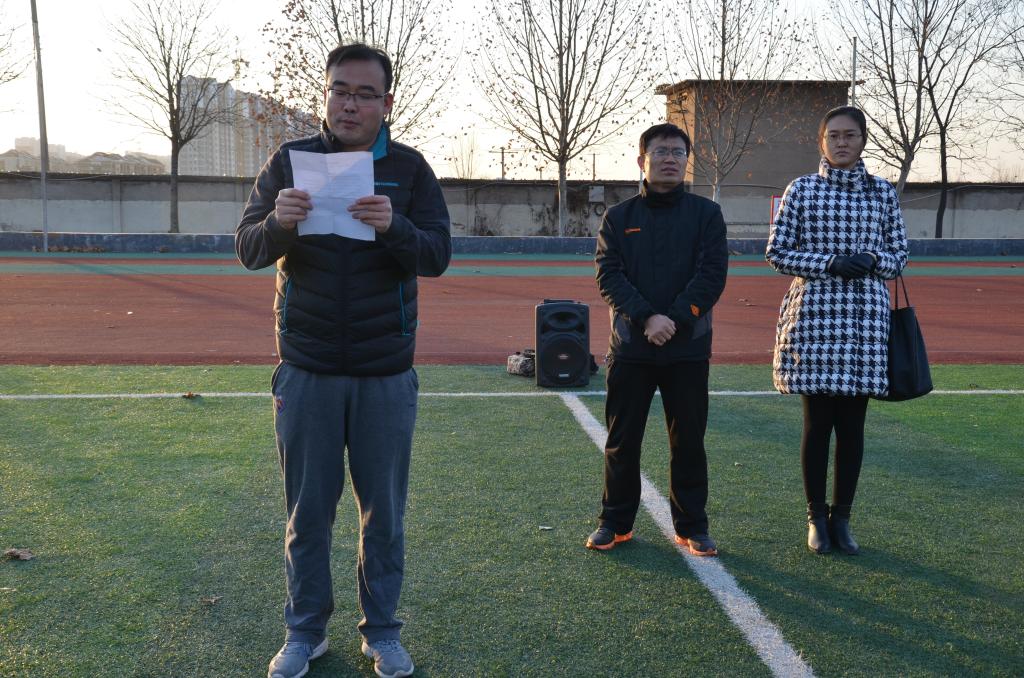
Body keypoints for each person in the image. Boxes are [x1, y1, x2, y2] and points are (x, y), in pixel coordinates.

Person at [236, 43, 451, 678]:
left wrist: (395, 227)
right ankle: (305, 633)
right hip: (307, 368)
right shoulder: (289, 162)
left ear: (387, 102)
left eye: (364, 94)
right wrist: (279, 223)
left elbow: (437, 256)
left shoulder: (410, 169)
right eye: (340, 91)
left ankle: (381, 631)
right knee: (307, 515)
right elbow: (248, 248)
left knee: (383, 516)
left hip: (385, 371)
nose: (349, 104)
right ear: (325, 95)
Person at [765, 105, 908, 556]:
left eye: (850, 135)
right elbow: (777, 252)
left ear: (863, 140)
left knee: (852, 426)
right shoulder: (802, 189)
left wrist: (873, 260)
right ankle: (815, 518)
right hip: (814, 316)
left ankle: (842, 518)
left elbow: (899, 255)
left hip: (865, 319)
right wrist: (829, 263)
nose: (841, 142)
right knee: (817, 423)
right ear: (821, 141)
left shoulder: (882, 192)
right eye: (834, 135)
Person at [587, 123, 729, 556]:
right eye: (661, 151)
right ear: (642, 160)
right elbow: (609, 275)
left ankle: (693, 526)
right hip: (631, 347)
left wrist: (676, 320)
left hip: (687, 349)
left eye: (678, 152)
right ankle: (614, 522)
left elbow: (711, 275)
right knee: (622, 441)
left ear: (687, 161)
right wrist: (648, 318)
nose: (670, 159)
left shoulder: (706, 215)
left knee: (688, 442)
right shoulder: (619, 217)